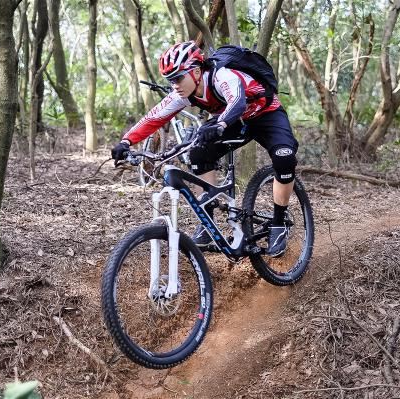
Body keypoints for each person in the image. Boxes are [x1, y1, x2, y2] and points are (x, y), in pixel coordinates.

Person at [112, 41, 299, 257]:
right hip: (235, 120)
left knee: (284, 158)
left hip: (266, 114)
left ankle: (278, 224)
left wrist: (219, 125)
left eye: (178, 77)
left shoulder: (222, 75)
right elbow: (154, 117)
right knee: (198, 153)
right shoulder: (182, 93)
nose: (174, 84)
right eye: (170, 80)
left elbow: (237, 102)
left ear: (197, 71)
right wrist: (126, 142)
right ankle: (208, 223)